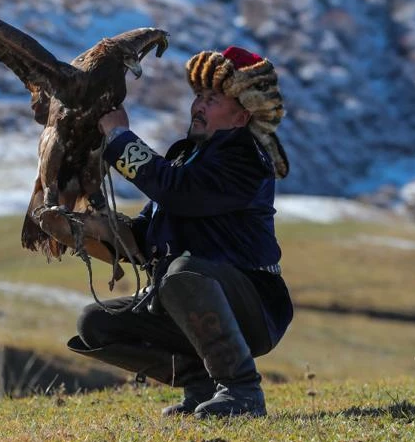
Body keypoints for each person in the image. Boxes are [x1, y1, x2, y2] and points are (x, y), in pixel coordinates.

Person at [38, 45, 293, 418]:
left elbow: (176, 191)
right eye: (199, 97)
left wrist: (119, 136)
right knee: (95, 324)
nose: (199, 106)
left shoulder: (247, 159)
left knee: (183, 274)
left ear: (241, 117)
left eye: (213, 99)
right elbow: (144, 238)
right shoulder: (185, 157)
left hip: (253, 306)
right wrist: (85, 229)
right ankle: (202, 384)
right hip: (187, 291)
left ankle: (241, 390)